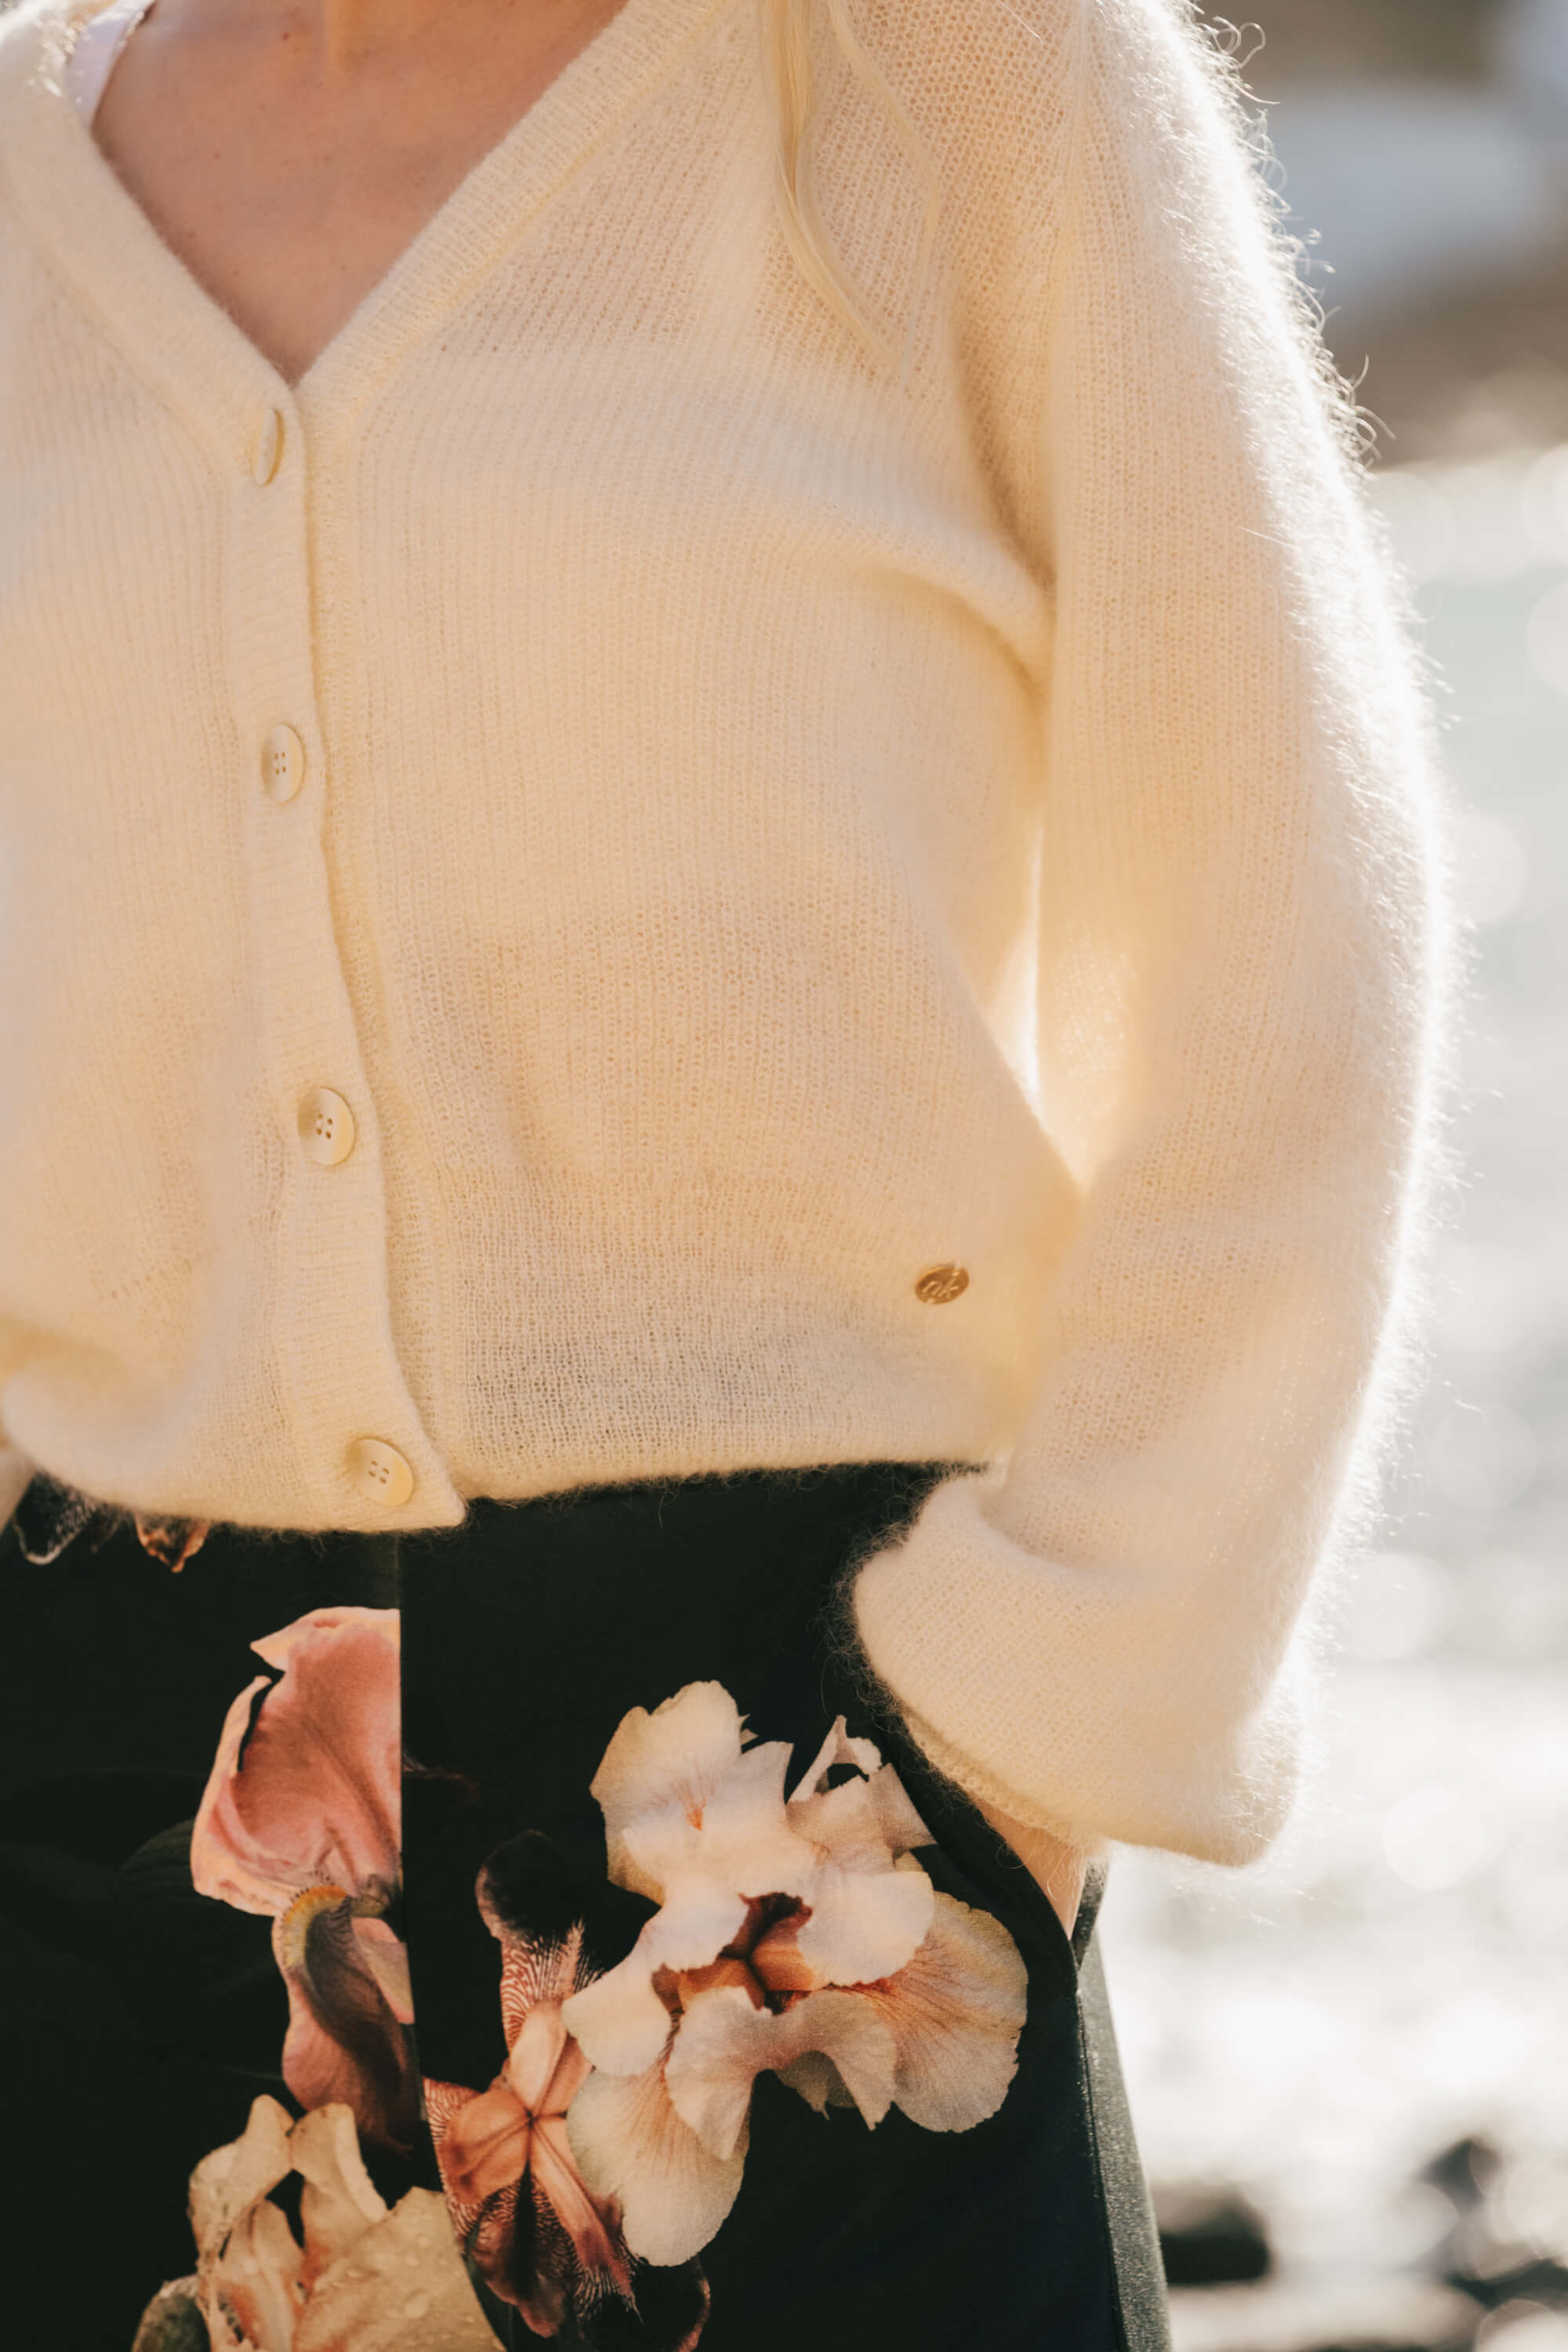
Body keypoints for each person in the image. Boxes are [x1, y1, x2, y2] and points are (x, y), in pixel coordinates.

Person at [0, 0, 1450, 2345]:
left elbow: (1288, 949)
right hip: (89, 1867)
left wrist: (1022, 1743)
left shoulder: (962, 86)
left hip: (799, 1854)